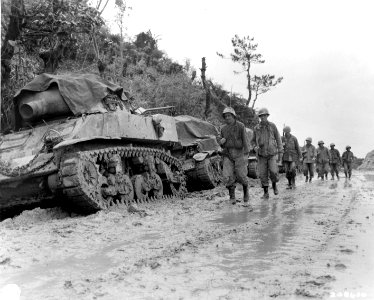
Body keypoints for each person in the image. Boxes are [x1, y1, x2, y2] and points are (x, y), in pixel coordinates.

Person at [220, 107, 252, 209]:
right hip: (228, 153)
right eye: (225, 116)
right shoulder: (223, 129)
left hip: (239, 153)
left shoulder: (240, 126)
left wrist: (246, 153)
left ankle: (246, 194)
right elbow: (220, 143)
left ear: (233, 116)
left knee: (242, 176)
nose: (227, 118)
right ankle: (232, 197)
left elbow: (245, 140)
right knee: (227, 176)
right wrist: (221, 142)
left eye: (229, 115)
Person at [252, 108, 283, 199]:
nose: (263, 117)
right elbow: (253, 141)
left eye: (265, 115)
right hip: (261, 154)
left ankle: (274, 185)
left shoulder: (272, 126)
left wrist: (280, 150)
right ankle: (266, 192)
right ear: (260, 117)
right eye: (261, 116)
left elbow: (278, 138)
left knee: (273, 171)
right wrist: (254, 147)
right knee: (262, 174)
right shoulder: (256, 128)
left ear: (267, 116)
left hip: (272, 153)